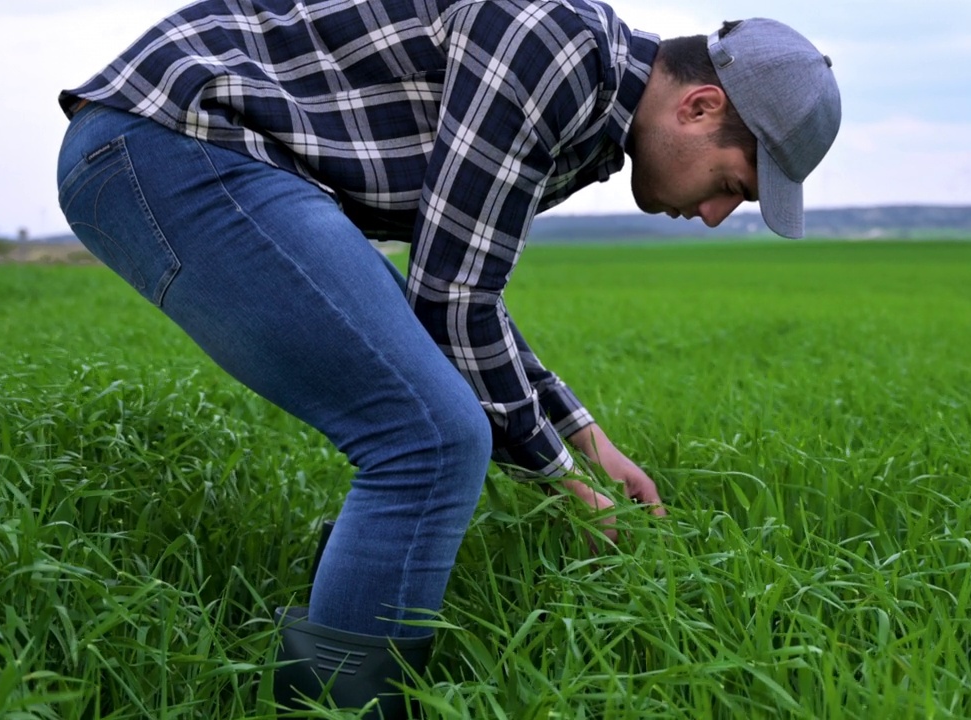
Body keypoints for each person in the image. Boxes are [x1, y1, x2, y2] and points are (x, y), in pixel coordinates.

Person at [55, 0, 840, 714]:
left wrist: (588, 439)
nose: (712, 215)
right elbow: (451, 302)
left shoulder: (590, 110)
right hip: (175, 139)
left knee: (431, 425)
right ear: (701, 107)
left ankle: (334, 643)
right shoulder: (557, 50)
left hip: (184, 148)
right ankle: (344, 707)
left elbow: (464, 289)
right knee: (430, 438)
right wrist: (562, 482)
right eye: (732, 185)